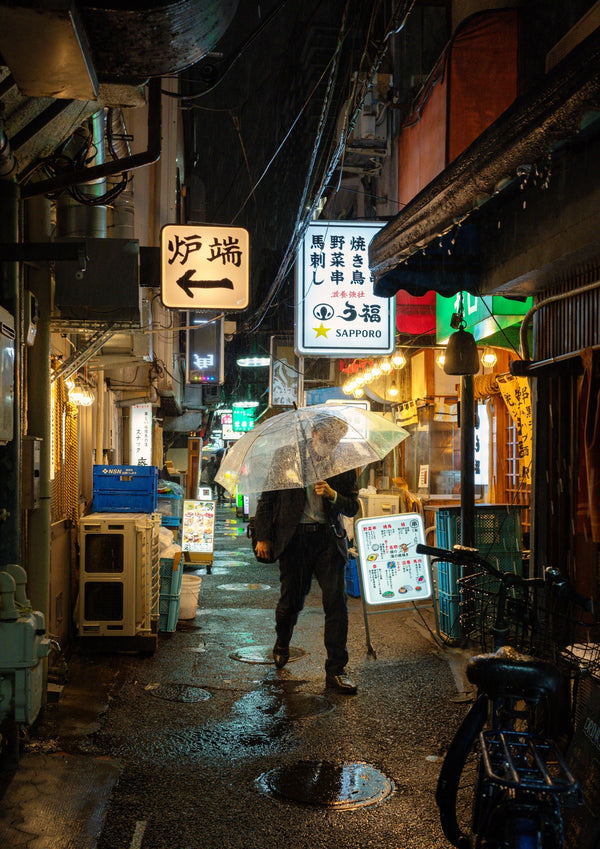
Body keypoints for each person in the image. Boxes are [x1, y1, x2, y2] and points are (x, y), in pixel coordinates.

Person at [253, 413, 360, 694]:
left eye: (335, 441)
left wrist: (333, 495)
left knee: (336, 603)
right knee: (291, 602)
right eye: (325, 439)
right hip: (294, 539)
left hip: (328, 539)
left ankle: (336, 670)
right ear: (313, 432)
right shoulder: (287, 456)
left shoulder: (343, 461)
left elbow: (352, 506)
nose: (329, 445)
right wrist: (263, 536)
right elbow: (268, 497)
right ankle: (282, 643)